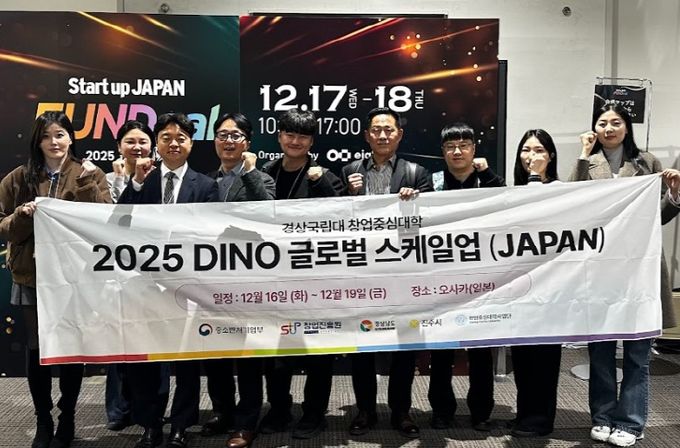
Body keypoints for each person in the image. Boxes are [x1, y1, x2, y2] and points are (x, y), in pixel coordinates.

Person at [569, 103, 680, 447]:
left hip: (639, 268)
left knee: (636, 353)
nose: (609, 128)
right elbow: (571, 204)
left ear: (627, 127)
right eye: (602, 123)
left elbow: (658, 215)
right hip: (600, 269)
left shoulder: (647, 163)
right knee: (600, 351)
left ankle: (631, 422)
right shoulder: (588, 163)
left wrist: (675, 194)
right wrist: (583, 155)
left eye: (616, 122)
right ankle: (602, 417)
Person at [0, 111, 112, 448]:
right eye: (47, 136)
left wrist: (88, 184)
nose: (54, 142)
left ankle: (68, 416)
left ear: (70, 138)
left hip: (75, 278)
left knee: (70, 349)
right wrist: (21, 216)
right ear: (38, 141)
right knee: (37, 349)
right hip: (32, 277)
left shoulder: (89, 173)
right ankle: (43, 419)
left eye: (60, 134)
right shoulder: (19, 178)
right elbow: (2, 226)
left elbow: (104, 221)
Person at [119, 112, 218, 448]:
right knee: (147, 361)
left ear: (191, 143)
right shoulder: (142, 179)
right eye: (166, 138)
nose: (173, 144)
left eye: (181, 138)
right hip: (144, 285)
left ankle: (180, 425)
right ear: (157, 143)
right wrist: (135, 182)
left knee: (186, 361)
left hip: (186, 285)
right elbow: (119, 222)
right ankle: (150, 425)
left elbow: (209, 236)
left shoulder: (206, 185)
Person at [341, 107, 432, 439]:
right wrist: (349, 195)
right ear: (367, 135)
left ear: (399, 135)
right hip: (362, 273)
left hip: (402, 273)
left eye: (388, 130)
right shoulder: (350, 171)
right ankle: (365, 410)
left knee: (403, 349)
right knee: (362, 348)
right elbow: (334, 222)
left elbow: (432, 224)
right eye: (376, 130)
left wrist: (414, 204)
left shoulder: (416, 173)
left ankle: (401, 411)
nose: (382, 135)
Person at [260, 108, 342, 440]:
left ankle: (314, 414)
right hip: (274, 281)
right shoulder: (265, 173)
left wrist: (319, 184)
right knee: (276, 356)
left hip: (316, 282)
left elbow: (341, 220)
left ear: (311, 141)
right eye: (290, 134)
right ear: (279, 136)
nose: (295, 141)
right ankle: (279, 409)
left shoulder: (325, 176)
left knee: (319, 354)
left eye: (303, 136)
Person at [203, 112, 275, 448]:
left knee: (248, 356)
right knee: (214, 352)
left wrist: (249, 173)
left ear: (247, 142)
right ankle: (222, 412)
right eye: (222, 135)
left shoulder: (262, 178)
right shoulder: (204, 181)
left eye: (235, 136)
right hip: (211, 280)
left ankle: (246, 422)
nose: (228, 141)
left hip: (248, 280)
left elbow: (268, 213)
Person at [427, 123, 504, 432]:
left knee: (481, 352)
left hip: (480, 278)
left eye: (463, 145)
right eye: (450, 146)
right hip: (442, 277)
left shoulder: (488, 179)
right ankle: (441, 410)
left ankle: (481, 411)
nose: (457, 151)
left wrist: (487, 174)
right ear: (442, 151)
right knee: (441, 350)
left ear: (474, 149)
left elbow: (508, 204)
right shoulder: (432, 183)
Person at [103, 121, 171, 432]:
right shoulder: (105, 179)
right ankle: (119, 409)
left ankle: (154, 410)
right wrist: (121, 180)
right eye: (130, 141)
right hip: (115, 272)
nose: (137, 147)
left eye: (143, 141)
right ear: (119, 146)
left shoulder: (162, 178)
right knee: (119, 344)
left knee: (155, 344)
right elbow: (111, 220)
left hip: (153, 272)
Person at [509, 129, 562, 437]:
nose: (532, 156)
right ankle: (524, 414)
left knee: (544, 355)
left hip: (550, 285)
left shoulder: (561, 190)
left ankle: (540, 420)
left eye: (539, 150)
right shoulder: (515, 191)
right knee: (522, 354)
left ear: (551, 156)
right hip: (521, 284)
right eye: (526, 150)